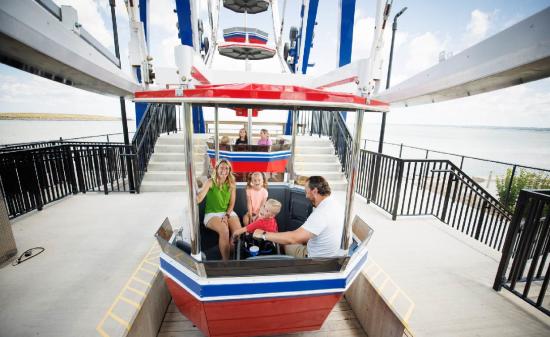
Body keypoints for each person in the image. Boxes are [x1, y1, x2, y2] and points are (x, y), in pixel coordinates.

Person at [252, 176, 344, 258]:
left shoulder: (321, 213)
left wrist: (263, 234)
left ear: (315, 191)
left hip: (313, 259)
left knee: (284, 244)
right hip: (328, 255)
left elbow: (293, 238)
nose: (306, 196)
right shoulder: (335, 203)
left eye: (307, 192)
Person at [197, 159, 241, 260]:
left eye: (226, 168)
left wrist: (227, 215)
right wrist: (194, 199)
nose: (224, 170)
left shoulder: (232, 184)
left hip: (227, 213)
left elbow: (232, 203)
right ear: (216, 169)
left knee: (238, 232)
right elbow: (200, 197)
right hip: (212, 214)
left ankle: (232, 256)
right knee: (224, 231)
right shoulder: (210, 182)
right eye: (221, 168)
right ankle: (226, 263)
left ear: (229, 170)